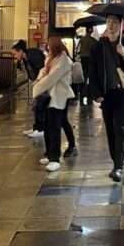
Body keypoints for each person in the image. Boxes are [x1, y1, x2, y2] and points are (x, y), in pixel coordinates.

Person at [88, 16, 124, 182]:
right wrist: (96, 93)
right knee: (110, 129)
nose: (111, 25)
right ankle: (116, 158)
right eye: (109, 22)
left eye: (115, 22)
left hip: (122, 92)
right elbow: (92, 72)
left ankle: (118, 167)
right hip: (106, 94)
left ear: (120, 25)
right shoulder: (98, 47)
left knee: (121, 128)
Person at [31, 35, 77, 171]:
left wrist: (37, 88)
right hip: (49, 96)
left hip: (59, 96)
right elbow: (44, 71)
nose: (47, 47)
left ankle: (55, 157)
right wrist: (39, 80)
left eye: (49, 45)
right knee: (51, 124)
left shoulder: (63, 60)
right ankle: (51, 153)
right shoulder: (52, 58)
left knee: (55, 126)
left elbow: (52, 77)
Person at [12, 40, 47, 139]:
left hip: (43, 83)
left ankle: (41, 129)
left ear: (20, 51)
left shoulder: (33, 55)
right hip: (37, 83)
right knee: (36, 106)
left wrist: (39, 81)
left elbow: (42, 69)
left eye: (15, 54)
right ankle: (36, 128)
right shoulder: (25, 58)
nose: (15, 56)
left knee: (40, 106)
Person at [77, 25, 98, 105]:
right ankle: (90, 98)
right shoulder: (94, 40)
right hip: (90, 60)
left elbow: (78, 50)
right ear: (91, 31)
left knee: (83, 79)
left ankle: (82, 98)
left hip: (83, 60)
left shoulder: (81, 39)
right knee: (90, 79)